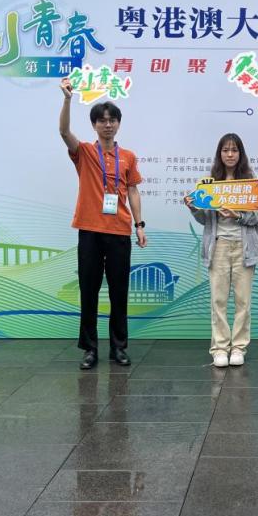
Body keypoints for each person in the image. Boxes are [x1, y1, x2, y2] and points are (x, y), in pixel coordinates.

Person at [59, 77, 147, 370]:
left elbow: (132, 190)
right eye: (102, 121)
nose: (107, 125)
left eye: (112, 120)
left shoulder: (128, 157)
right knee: (89, 290)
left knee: (119, 292)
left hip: (119, 230)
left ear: (118, 124)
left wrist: (139, 225)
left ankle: (118, 348)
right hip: (90, 231)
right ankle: (90, 349)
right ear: (94, 125)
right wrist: (68, 99)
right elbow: (63, 131)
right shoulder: (84, 152)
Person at [184, 133, 258, 368]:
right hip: (218, 246)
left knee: (243, 301)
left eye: (234, 150)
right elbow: (204, 219)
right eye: (225, 150)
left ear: (241, 154)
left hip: (244, 246)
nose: (230, 154)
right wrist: (193, 207)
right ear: (219, 154)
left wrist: (238, 215)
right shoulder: (209, 183)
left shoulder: (250, 183)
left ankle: (238, 347)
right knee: (218, 300)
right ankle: (220, 348)